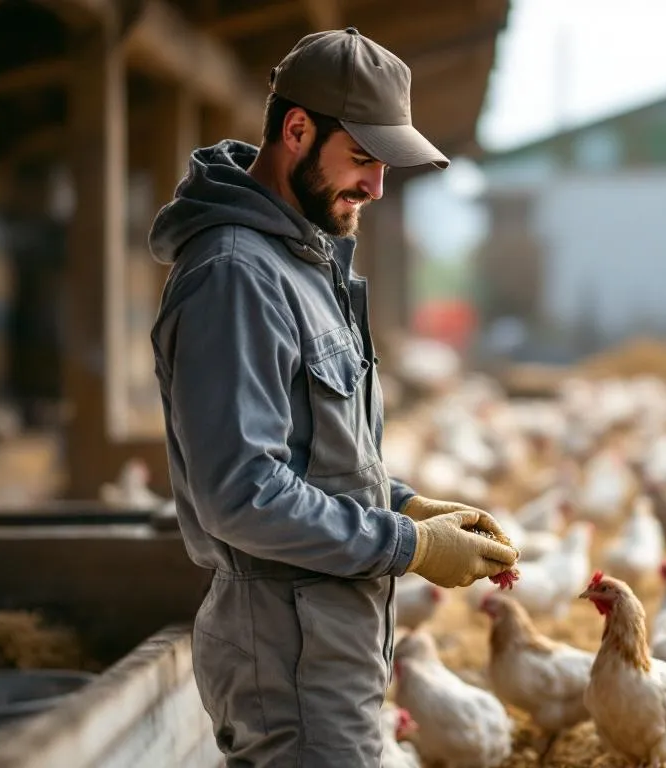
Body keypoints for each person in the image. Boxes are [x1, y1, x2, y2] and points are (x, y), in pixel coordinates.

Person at [145, 27, 520, 768]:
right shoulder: (236, 277)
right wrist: (407, 545)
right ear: (296, 130)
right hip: (289, 657)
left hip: (326, 646)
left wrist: (404, 502)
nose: (377, 188)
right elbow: (242, 493)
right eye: (363, 159)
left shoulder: (301, 262)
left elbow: (310, 451)